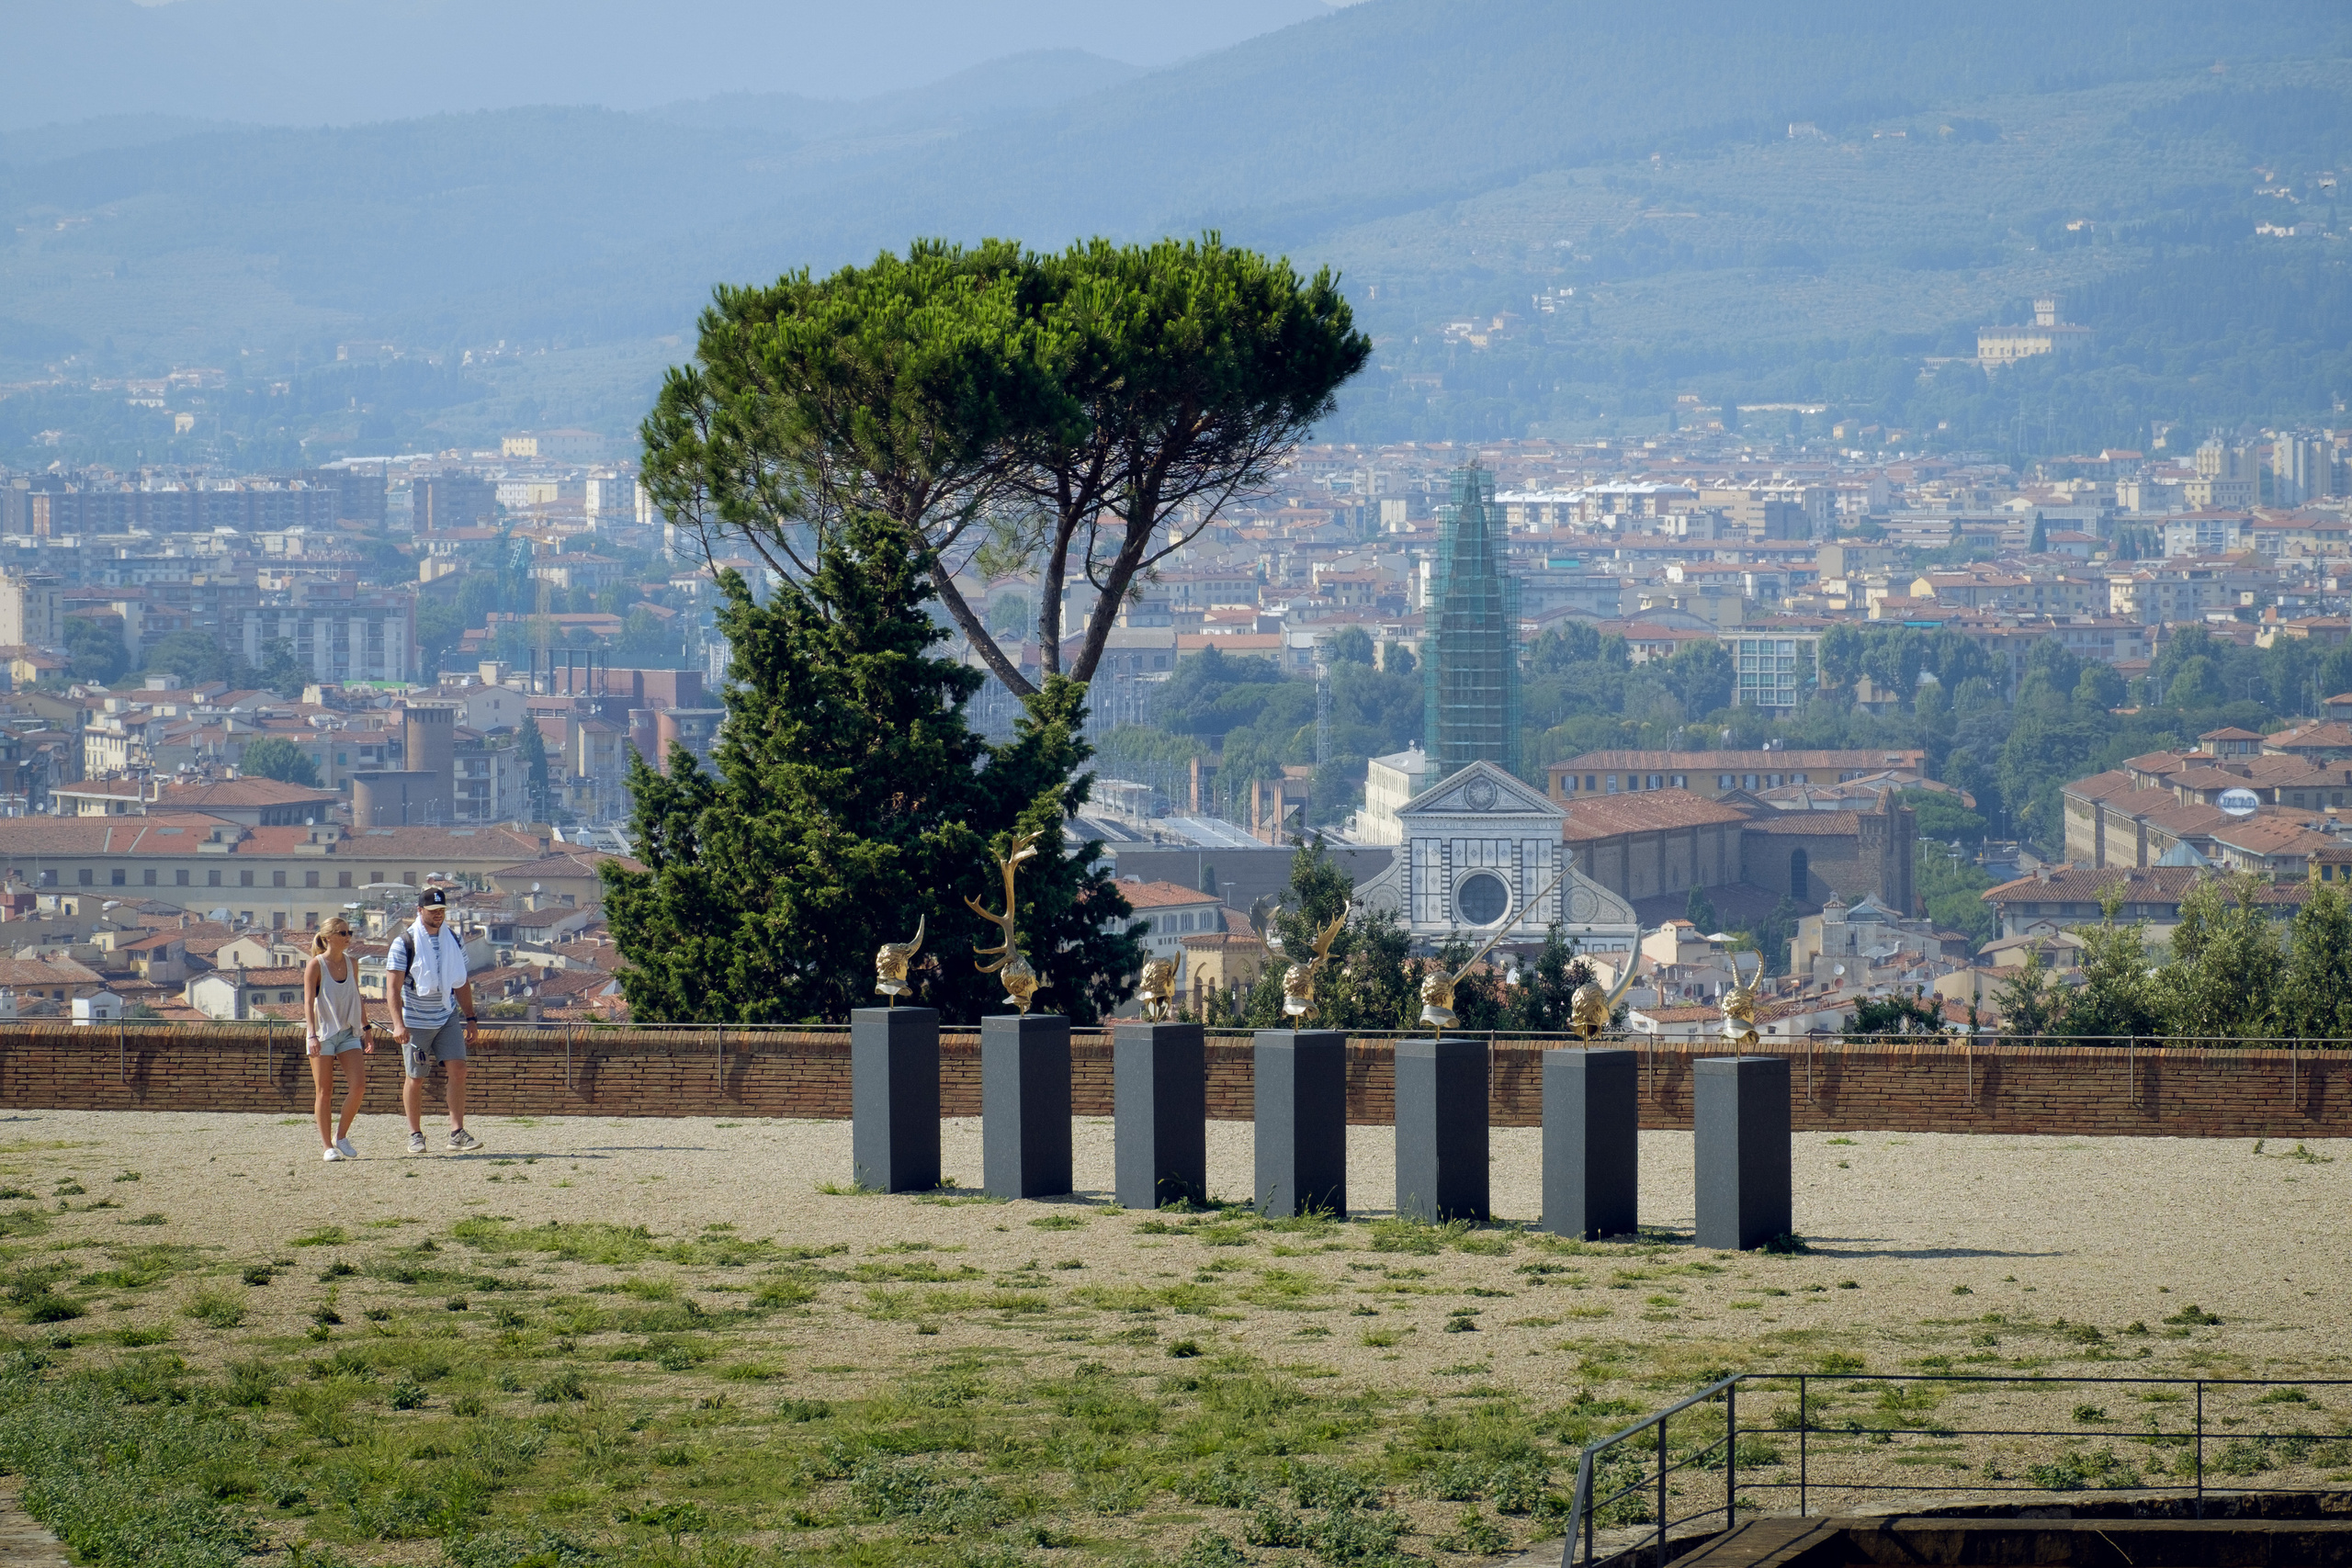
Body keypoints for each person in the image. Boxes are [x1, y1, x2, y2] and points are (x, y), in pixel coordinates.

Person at [388, 886, 482, 1154]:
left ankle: (456, 1132)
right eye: (433, 911)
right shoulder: (404, 943)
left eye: (441, 910)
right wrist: (398, 1024)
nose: (438, 915)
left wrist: (471, 1018)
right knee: (416, 1077)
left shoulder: (454, 939)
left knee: (459, 1070)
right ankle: (415, 1134)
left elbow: (461, 981)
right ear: (420, 911)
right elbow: (393, 988)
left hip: (446, 1016)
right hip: (416, 1020)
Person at [303, 914, 370, 1162]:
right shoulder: (316, 965)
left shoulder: (352, 963)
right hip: (322, 1034)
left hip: (348, 1032)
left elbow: (356, 996)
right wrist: (312, 1035)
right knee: (324, 1091)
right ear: (328, 937)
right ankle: (326, 1146)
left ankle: (341, 1137)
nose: (348, 937)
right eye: (342, 933)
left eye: (349, 932)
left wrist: (367, 1028)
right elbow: (308, 1002)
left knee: (359, 1086)